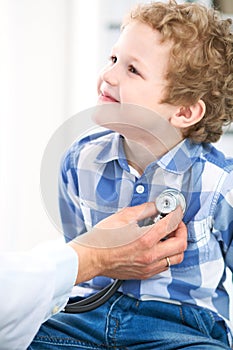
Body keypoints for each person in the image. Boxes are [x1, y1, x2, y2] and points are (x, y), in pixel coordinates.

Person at [29, 0, 233, 349]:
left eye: (132, 70)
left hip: (180, 328)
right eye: (113, 60)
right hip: (84, 319)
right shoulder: (79, 161)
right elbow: (77, 253)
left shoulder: (219, 183)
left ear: (184, 111)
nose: (108, 76)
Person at [0, 202, 186, 350]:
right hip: (83, 316)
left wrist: (91, 254)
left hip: (180, 323)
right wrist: (96, 256)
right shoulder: (76, 161)